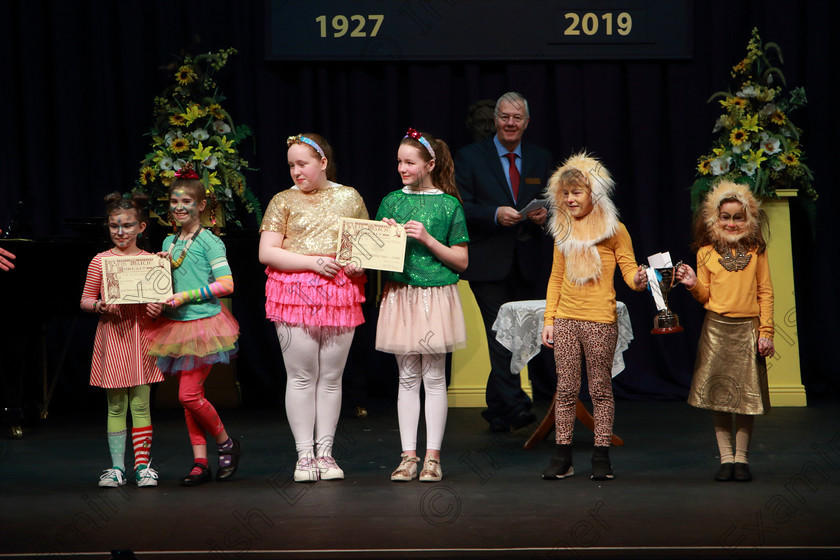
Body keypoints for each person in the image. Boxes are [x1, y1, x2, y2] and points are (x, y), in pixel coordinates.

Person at [259, 133, 368, 483]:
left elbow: (364, 248)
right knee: (302, 375)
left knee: (331, 377)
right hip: (294, 293)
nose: (296, 172)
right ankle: (304, 455)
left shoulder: (348, 197)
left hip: (339, 294)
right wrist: (312, 262)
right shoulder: (282, 201)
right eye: (291, 165)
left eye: (302, 164)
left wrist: (356, 264)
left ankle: (326, 453)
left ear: (323, 162)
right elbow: (268, 252)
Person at [540, 153, 647, 481]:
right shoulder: (563, 227)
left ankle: (601, 454)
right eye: (566, 193)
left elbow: (629, 269)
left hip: (600, 319)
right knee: (567, 387)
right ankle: (563, 455)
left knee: (600, 388)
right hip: (567, 319)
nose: (570, 199)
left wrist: (638, 281)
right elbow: (556, 276)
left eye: (577, 192)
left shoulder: (615, 229)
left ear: (594, 194)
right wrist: (549, 319)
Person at [455, 91, 555, 432]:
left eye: (517, 118)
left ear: (527, 123)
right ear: (495, 120)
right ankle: (515, 405)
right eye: (504, 117)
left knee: (523, 335)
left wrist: (545, 216)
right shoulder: (469, 157)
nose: (510, 123)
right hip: (487, 262)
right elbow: (461, 207)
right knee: (501, 333)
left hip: (529, 261)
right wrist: (495, 214)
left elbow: (555, 204)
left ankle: (497, 406)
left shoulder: (542, 158)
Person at [376, 129, 468, 483]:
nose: (401, 167)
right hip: (402, 294)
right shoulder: (391, 201)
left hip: (435, 296)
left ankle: (433, 458)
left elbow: (461, 261)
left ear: (429, 164)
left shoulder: (448, 204)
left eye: (409, 162)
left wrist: (427, 238)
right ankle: (408, 456)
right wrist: (383, 239)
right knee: (407, 377)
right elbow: (376, 257)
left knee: (433, 377)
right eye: (399, 161)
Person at [675, 180, 774, 483]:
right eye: (725, 217)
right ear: (713, 219)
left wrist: (766, 331)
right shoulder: (705, 253)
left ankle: (742, 459)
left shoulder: (756, 252)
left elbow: (765, 293)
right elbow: (705, 295)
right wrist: (693, 284)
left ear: (749, 218)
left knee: (745, 397)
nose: (731, 223)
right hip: (716, 330)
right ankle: (725, 457)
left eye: (738, 217)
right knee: (719, 396)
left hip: (747, 330)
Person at [148, 167, 241, 486]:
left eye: (186, 201)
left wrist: (186, 295)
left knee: (188, 396)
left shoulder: (210, 242)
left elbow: (227, 285)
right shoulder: (168, 240)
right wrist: (160, 272)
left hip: (203, 326)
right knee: (190, 396)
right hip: (176, 325)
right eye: (174, 201)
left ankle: (226, 443)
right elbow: (166, 284)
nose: (178, 207)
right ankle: (200, 462)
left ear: (201, 206)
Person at [80, 192, 165, 487]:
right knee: (116, 406)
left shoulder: (152, 261)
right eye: (115, 225)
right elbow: (85, 300)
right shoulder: (100, 261)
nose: (120, 232)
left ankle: (142, 466)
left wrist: (158, 308)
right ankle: (117, 468)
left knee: (141, 405)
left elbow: (160, 302)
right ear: (108, 226)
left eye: (127, 225)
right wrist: (99, 305)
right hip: (113, 337)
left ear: (141, 227)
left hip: (141, 337)